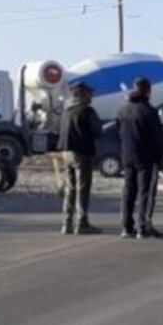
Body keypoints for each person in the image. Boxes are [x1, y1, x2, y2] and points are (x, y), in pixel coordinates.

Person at [118, 77, 163, 239]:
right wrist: (160, 155)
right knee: (146, 192)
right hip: (146, 157)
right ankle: (143, 226)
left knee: (129, 191)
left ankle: (126, 226)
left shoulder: (123, 109)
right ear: (148, 90)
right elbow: (158, 137)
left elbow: (119, 131)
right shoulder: (148, 111)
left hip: (127, 156)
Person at [57, 81, 103, 235]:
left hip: (66, 152)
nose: (91, 96)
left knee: (71, 188)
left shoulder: (67, 110)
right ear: (79, 94)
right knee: (83, 188)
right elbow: (98, 131)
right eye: (89, 93)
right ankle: (82, 223)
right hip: (82, 153)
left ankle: (67, 223)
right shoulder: (87, 111)